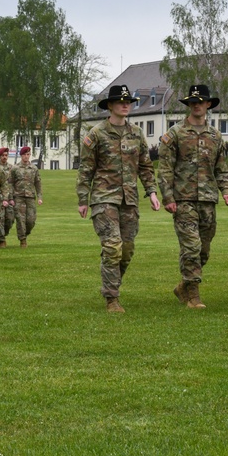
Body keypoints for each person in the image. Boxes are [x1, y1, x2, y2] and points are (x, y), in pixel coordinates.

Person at [76, 84, 160, 313]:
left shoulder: (136, 133)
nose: (125, 105)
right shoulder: (96, 134)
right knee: (113, 247)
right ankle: (112, 298)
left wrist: (151, 192)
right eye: (120, 102)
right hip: (104, 198)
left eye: (128, 102)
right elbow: (85, 170)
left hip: (129, 200)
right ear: (110, 106)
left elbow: (145, 166)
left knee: (127, 250)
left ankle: (110, 282)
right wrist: (83, 199)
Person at [157, 84, 228, 310]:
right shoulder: (175, 134)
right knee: (191, 247)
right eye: (193, 102)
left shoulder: (215, 136)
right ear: (189, 105)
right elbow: (165, 169)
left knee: (203, 250)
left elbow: (221, 167)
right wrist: (168, 197)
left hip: (208, 200)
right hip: (183, 200)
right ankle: (193, 295)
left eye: (201, 101)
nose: (197, 105)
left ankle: (183, 285)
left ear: (208, 104)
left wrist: (227, 191)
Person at [11, 146, 43, 247]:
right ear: (21, 155)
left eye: (28, 154)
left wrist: (40, 196)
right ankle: (22, 240)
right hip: (18, 197)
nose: (26, 156)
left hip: (30, 197)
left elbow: (38, 183)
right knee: (20, 219)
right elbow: (10, 183)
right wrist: (10, 197)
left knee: (31, 220)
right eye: (24, 154)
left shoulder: (34, 168)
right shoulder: (15, 168)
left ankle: (25, 233)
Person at [0, 147, 16, 247]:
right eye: (3, 155)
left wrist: (11, 198)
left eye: (6, 155)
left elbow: (12, 184)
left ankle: (5, 233)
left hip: (9, 197)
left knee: (10, 219)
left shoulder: (11, 168)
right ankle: (1, 240)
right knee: (0, 219)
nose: (5, 157)